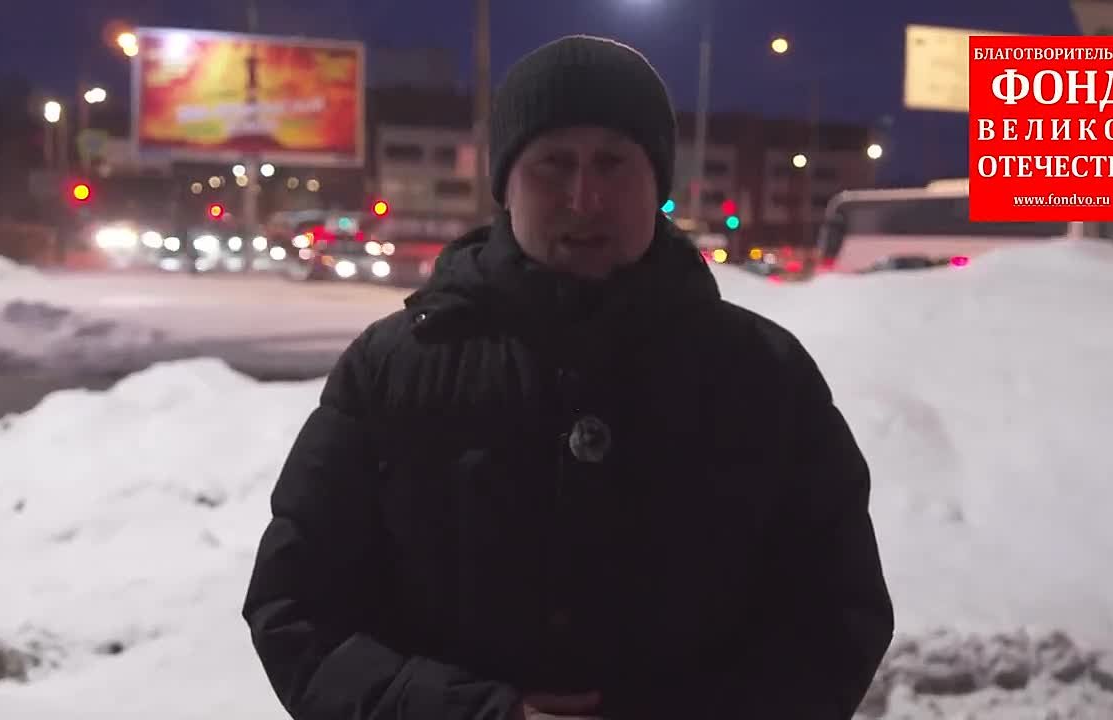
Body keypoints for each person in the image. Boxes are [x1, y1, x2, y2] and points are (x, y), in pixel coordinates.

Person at [243, 34, 893, 720]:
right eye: (554, 164)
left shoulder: (764, 376)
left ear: (658, 183)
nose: (585, 198)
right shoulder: (393, 368)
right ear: (505, 186)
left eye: (614, 163)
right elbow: (298, 611)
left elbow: (834, 616)